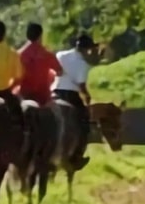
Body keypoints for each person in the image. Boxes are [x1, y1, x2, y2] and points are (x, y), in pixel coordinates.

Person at [53, 33, 95, 171]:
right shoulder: (83, 64)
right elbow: (81, 86)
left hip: (54, 93)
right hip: (70, 95)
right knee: (84, 123)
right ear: (86, 49)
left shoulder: (60, 55)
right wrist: (88, 97)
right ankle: (77, 156)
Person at [15, 22, 62, 105]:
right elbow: (60, 72)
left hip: (25, 93)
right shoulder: (47, 54)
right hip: (43, 95)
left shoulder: (19, 54)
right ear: (40, 36)